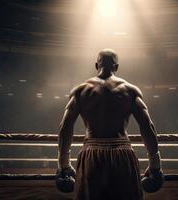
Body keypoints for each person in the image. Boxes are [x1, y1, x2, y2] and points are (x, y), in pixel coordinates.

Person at [57, 48, 163, 200]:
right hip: (122, 153)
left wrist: (63, 164)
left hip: (91, 153)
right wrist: (155, 164)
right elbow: (147, 125)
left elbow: (65, 126)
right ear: (117, 67)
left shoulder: (81, 90)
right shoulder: (129, 90)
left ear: (96, 65)